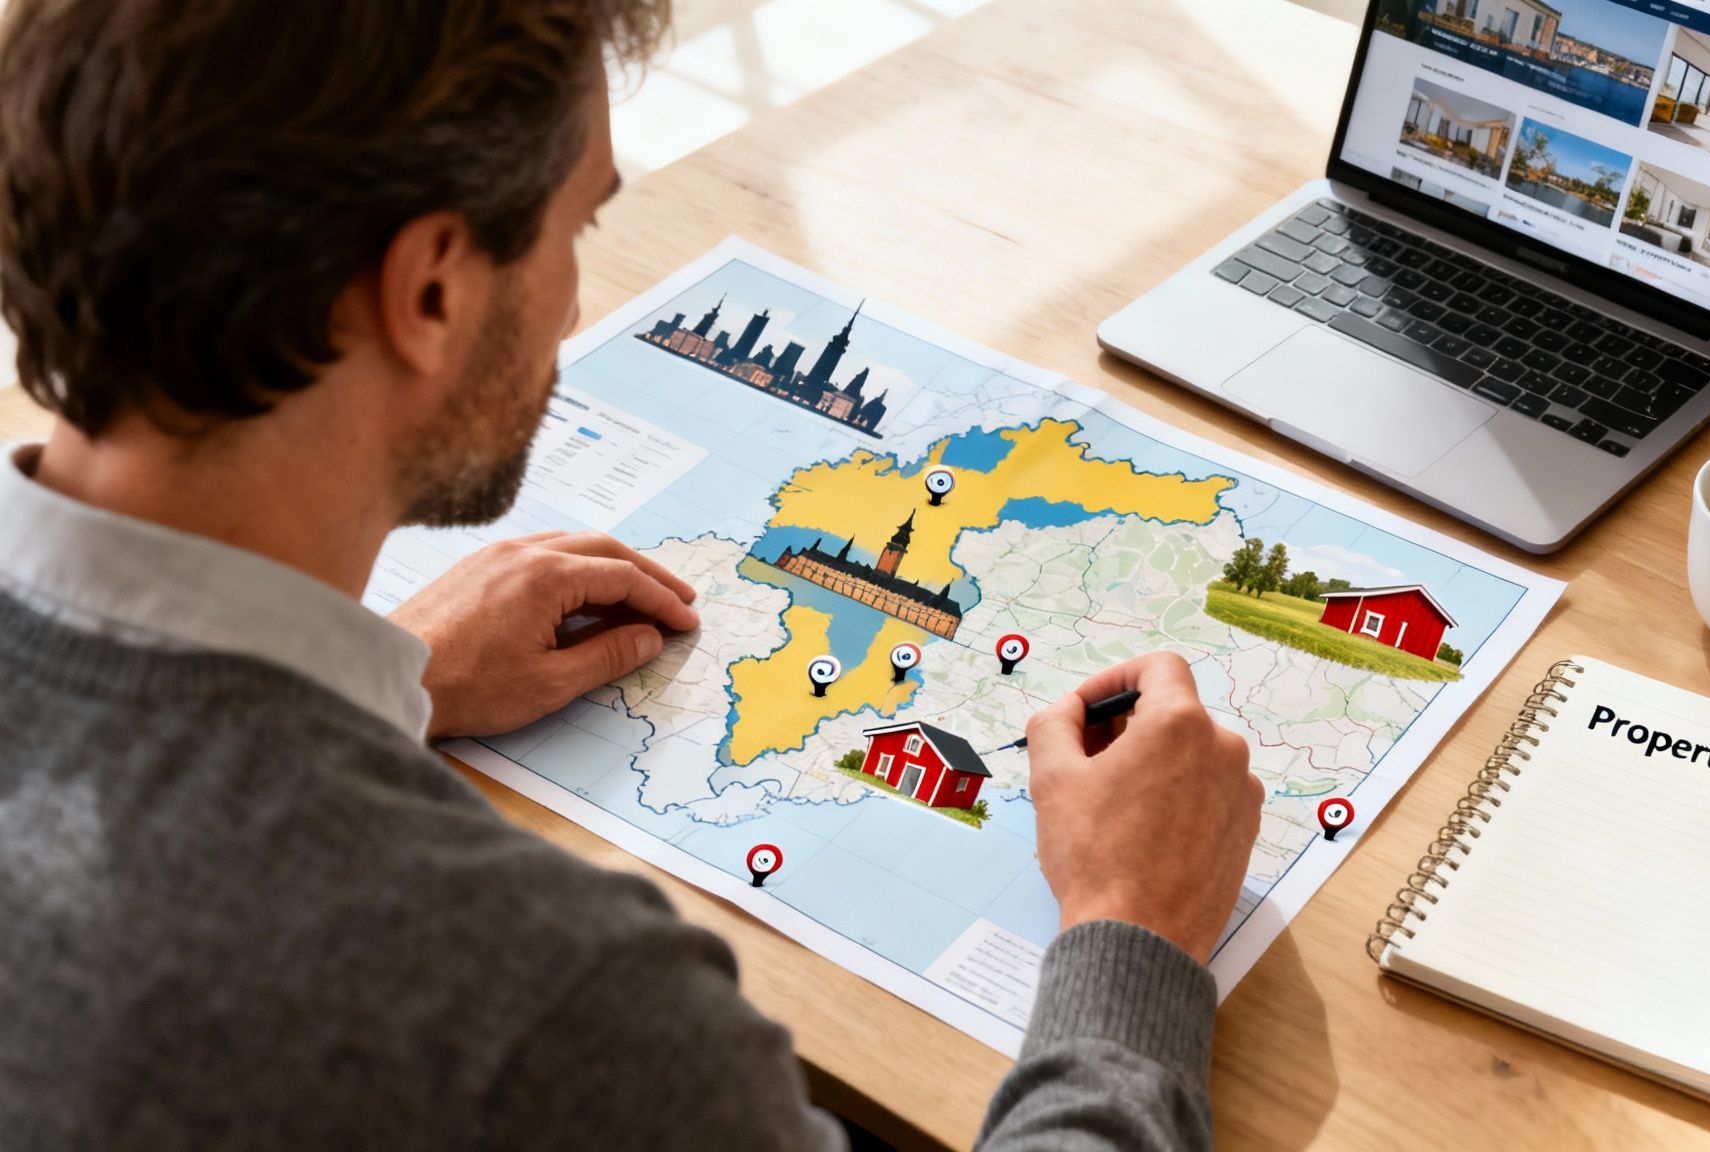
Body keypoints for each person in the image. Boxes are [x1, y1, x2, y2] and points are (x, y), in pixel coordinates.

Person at [0, 2, 1265, 1149]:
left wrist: (400, 681)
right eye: (577, 224)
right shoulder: (559, 1016)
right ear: (429, 289)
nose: (569, 305)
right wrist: (1132, 930)